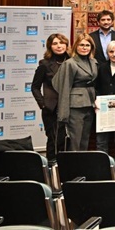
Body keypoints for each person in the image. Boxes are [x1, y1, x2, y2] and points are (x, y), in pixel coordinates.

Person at [52, 33, 98, 151]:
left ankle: (82, 166)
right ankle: (73, 167)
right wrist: (63, 113)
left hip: (90, 104)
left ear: (91, 47)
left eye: (87, 45)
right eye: (81, 45)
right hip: (75, 105)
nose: (84, 47)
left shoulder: (93, 62)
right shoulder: (70, 63)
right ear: (76, 47)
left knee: (85, 139)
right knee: (74, 141)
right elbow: (63, 87)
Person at [31, 33, 69, 161]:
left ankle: (65, 170)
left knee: (66, 140)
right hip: (51, 109)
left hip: (70, 107)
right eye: (55, 43)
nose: (59, 46)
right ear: (50, 47)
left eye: (61, 43)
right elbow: (35, 87)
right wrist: (43, 104)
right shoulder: (44, 64)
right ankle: (52, 170)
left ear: (66, 44)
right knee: (54, 140)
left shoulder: (72, 61)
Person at [95, 40, 115, 162]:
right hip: (102, 109)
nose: (114, 54)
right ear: (107, 53)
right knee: (101, 141)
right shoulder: (102, 67)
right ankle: (103, 166)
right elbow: (97, 86)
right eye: (111, 51)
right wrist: (96, 99)